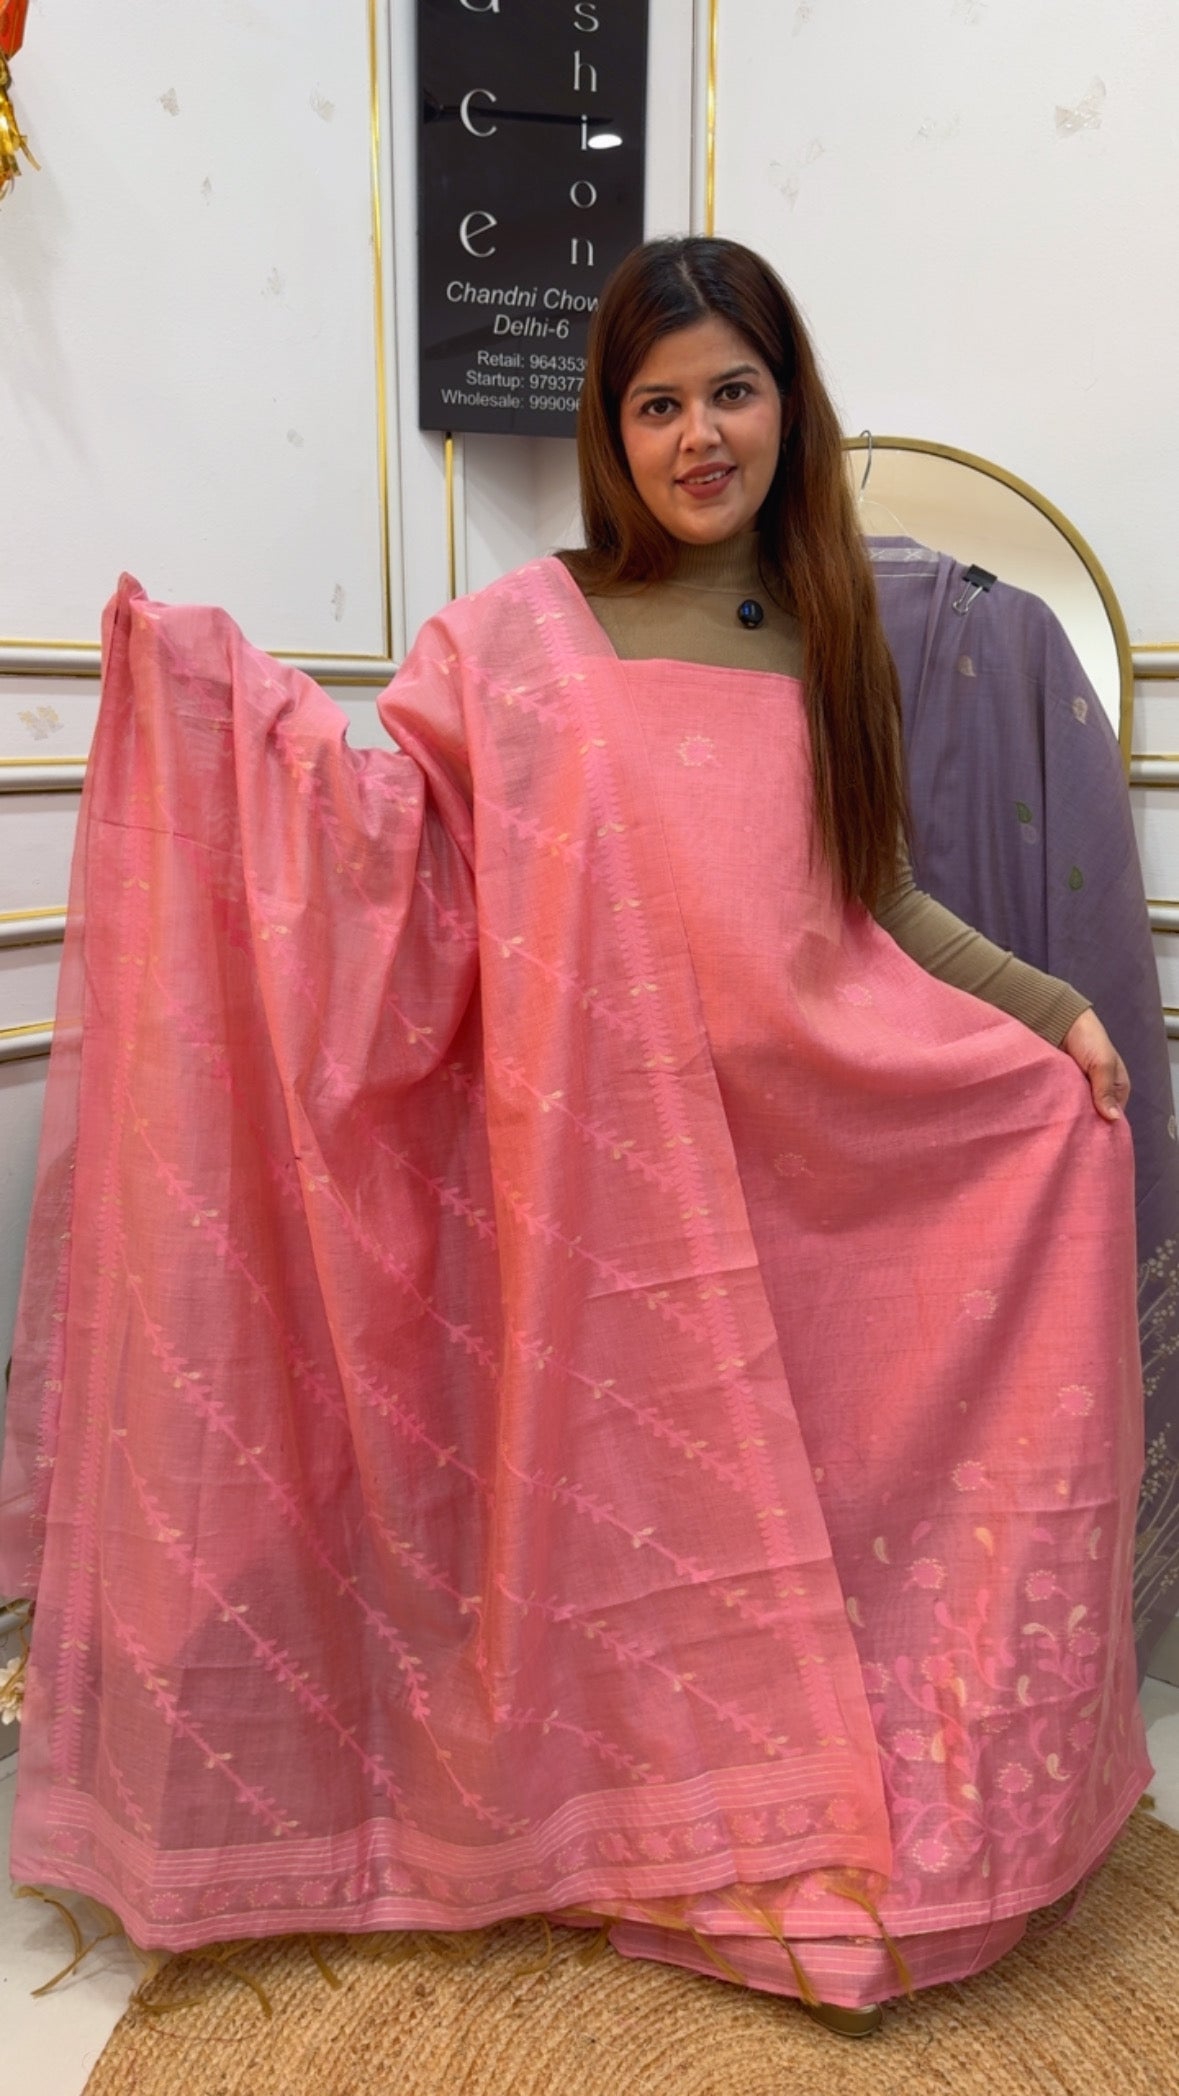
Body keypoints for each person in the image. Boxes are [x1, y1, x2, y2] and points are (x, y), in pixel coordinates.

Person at [0, 239, 1148, 2039]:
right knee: (649, 1517)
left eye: (734, 392)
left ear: (789, 404)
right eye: (658, 404)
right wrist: (224, 714)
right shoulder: (520, 634)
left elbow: (879, 898)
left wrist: (1048, 1009)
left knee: (985, 1271)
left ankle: (852, 1787)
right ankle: (656, 1814)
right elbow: (393, 850)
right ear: (612, 433)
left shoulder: (831, 627)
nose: (702, 437)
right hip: (614, 1165)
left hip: (823, 1133)